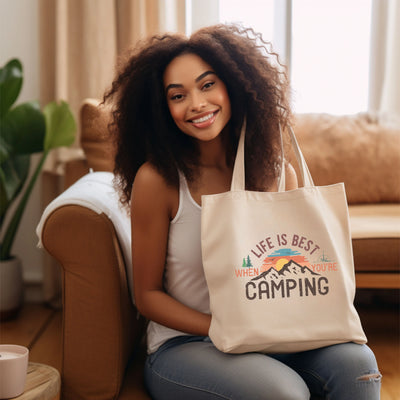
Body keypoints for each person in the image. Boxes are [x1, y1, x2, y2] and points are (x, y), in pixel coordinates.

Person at [104, 24, 381, 400]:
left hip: (280, 335)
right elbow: (147, 295)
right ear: (162, 108)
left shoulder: (277, 171)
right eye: (177, 95)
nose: (197, 104)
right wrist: (225, 326)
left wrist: (269, 328)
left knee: (357, 366)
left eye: (207, 85)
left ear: (235, 85)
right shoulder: (158, 180)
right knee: (283, 393)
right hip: (189, 345)